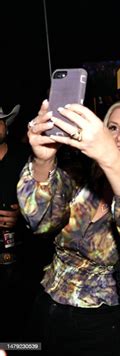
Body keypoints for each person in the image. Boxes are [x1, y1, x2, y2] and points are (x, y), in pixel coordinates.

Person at [17, 97, 120, 356]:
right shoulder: (80, 179)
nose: (119, 136)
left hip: (101, 325)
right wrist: (42, 160)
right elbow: (39, 222)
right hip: (45, 306)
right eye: (112, 127)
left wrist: (110, 158)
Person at [0, 103, 32, 342]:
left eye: (0, 120)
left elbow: (48, 204)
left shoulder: (25, 157)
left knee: (22, 333)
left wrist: (22, 217)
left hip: (24, 260)